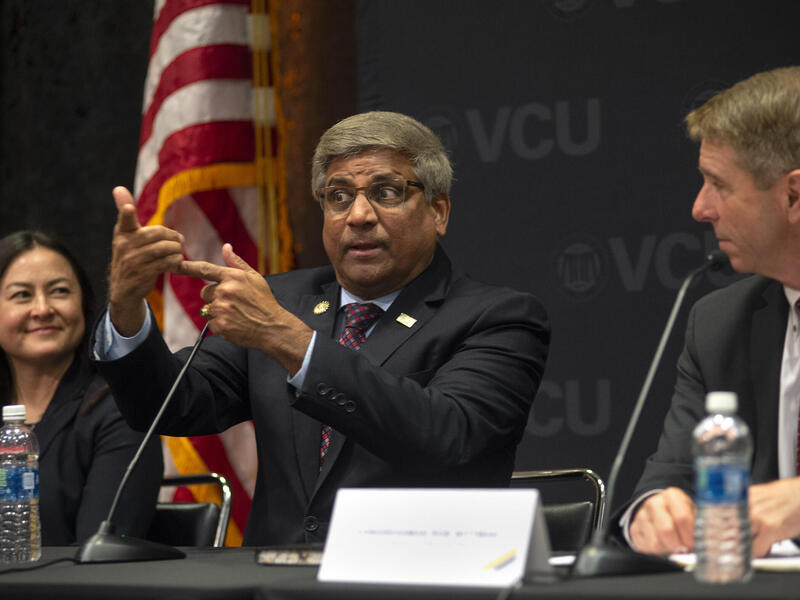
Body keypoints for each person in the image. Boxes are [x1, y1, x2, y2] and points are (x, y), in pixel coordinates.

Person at [93, 111, 550, 546]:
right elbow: (172, 404)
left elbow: (450, 435)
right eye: (339, 195)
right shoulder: (282, 299)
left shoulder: (498, 317)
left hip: (417, 583)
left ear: (438, 212)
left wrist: (288, 340)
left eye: (387, 192)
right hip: (274, 582)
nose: (359, 215)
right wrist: (126, 307)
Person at [620, 66, 800, 558]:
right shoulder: (720, 322)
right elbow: (669, 477)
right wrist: (653, 510)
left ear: (793, 195)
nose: (700, 208)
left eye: (718, 184)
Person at [0, 230, 162, 545]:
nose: (42, 308)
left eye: (59, 291)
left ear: (84, 305)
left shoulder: (123, 412)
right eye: (22, 295)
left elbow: (101, 557)